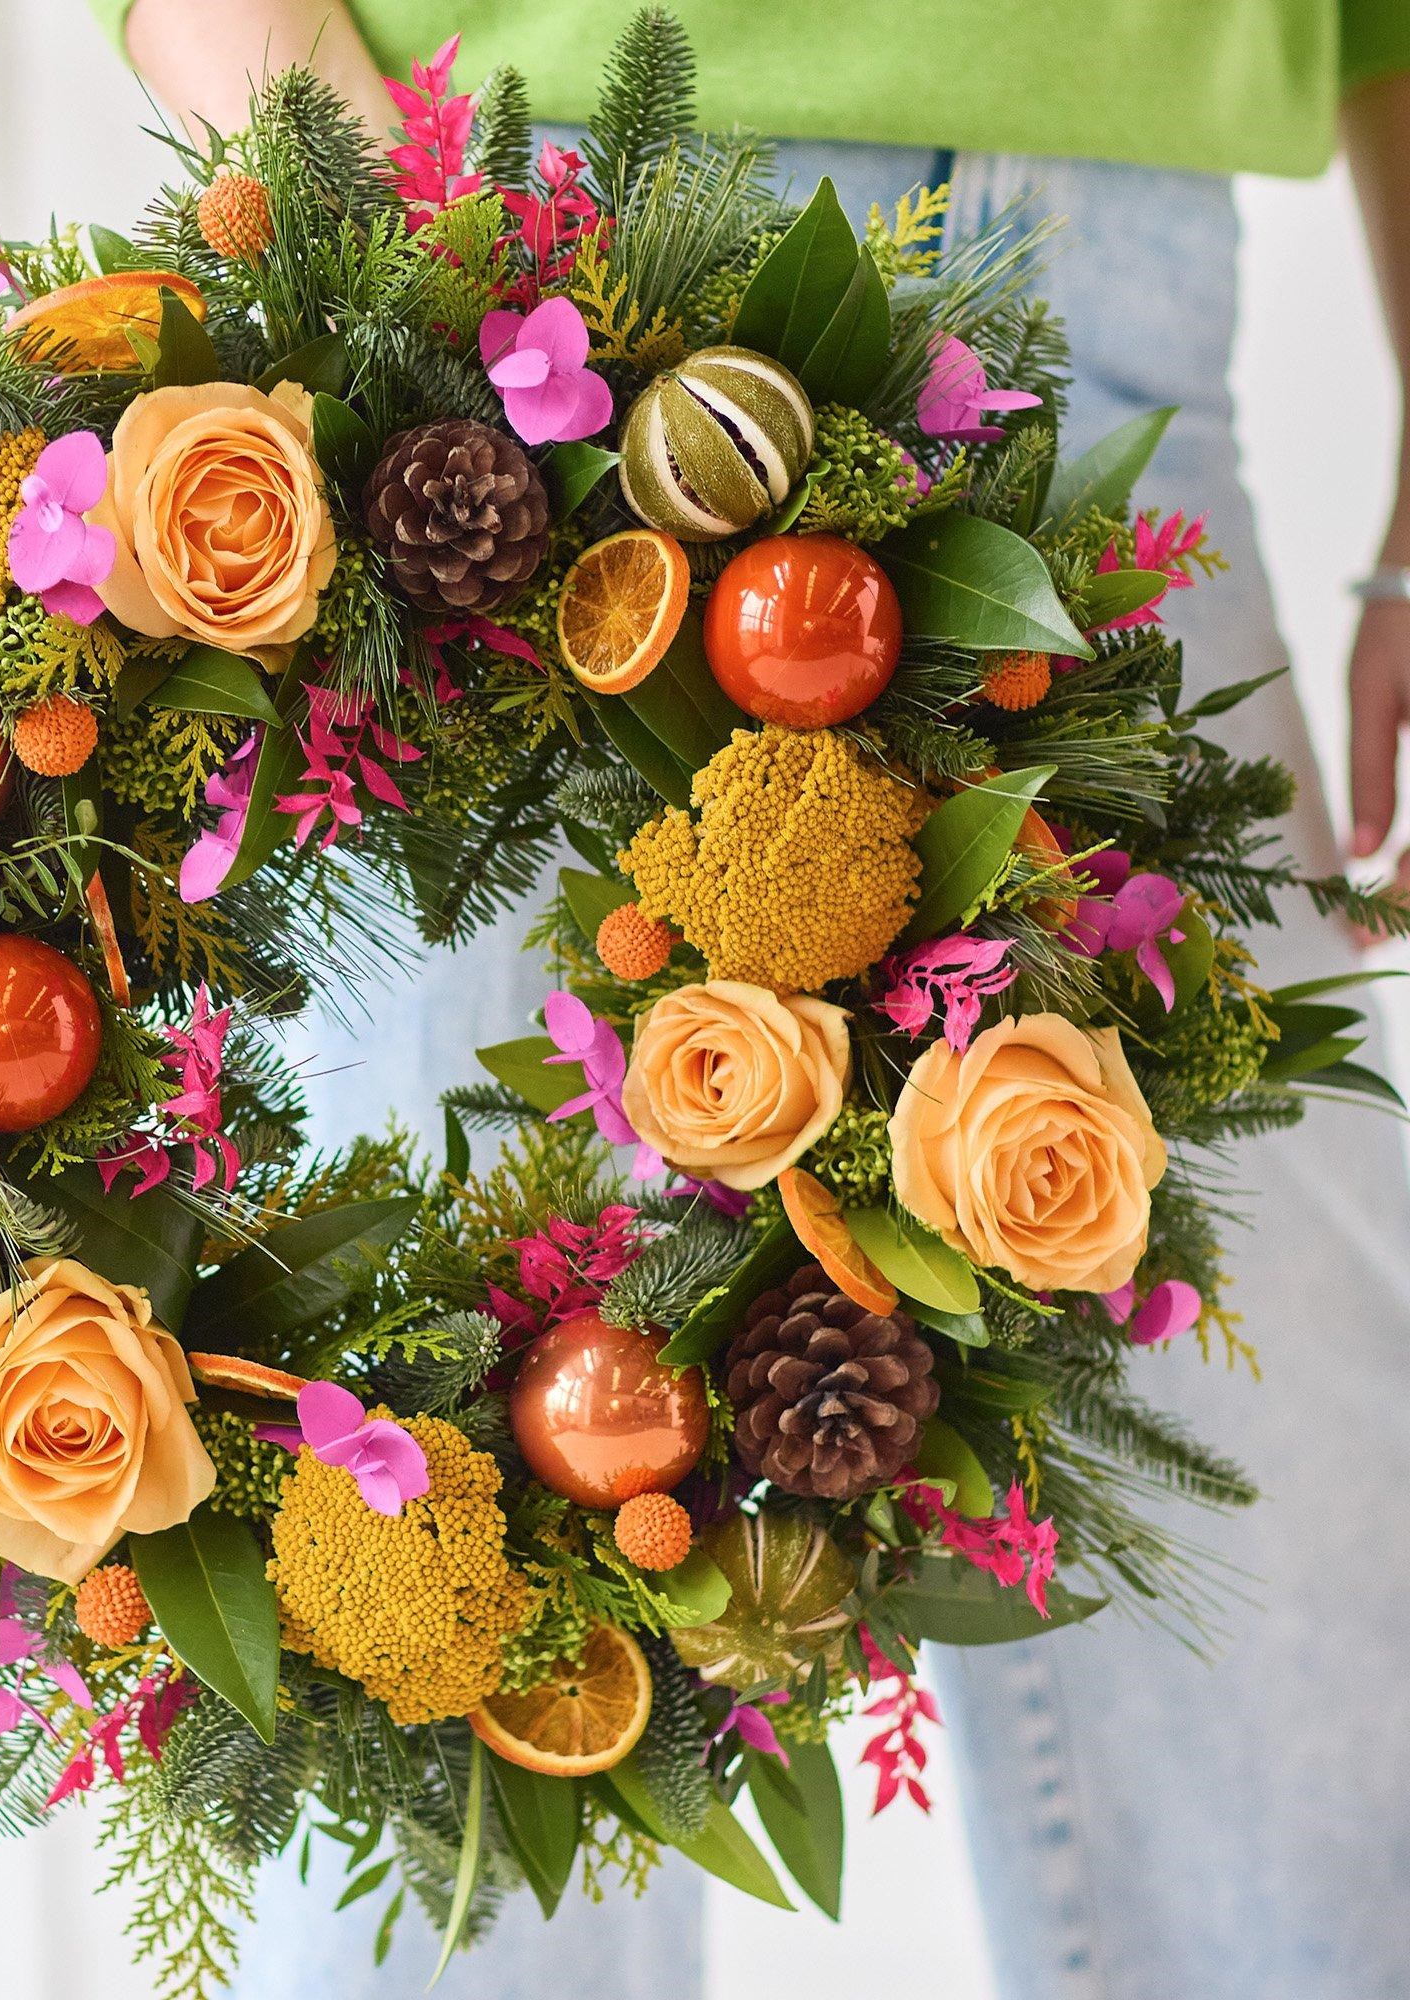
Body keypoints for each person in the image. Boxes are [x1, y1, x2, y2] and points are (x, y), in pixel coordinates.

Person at [85, 5, 1410, 1997]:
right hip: (516, 344)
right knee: (457, 1629)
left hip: (1128, 347)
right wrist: (419, 271)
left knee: (1285, 1709)